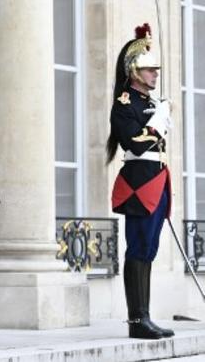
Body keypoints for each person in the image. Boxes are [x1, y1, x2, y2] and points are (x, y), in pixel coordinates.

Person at [107, 23, 174, 340]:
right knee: (138, 247)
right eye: (149, 70)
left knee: (149, 248)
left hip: (157, 179)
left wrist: (158, 113)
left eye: (155, 70)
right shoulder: (124, 104)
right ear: (134, 71)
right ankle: (137, 321)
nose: (155, 75)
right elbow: (135, 143)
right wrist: (158, 121)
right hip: (139, 182)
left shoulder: (149, 103)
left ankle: (144, 316)